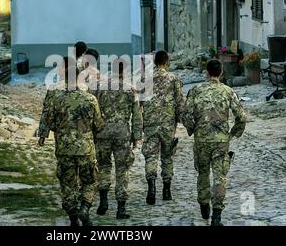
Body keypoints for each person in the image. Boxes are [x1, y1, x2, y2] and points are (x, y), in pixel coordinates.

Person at [38, 56, 103, 226]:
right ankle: (84, 207)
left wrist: (45, 134)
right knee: (90, 181)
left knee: (67, 184)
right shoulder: (90, 99)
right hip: (86, 148)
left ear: (65, 77)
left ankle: (73, 217)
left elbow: (48, 118)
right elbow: (98, 124)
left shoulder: (56, 97)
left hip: (64, 148)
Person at [182, 59, 247, 226]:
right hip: (220, 141)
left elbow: (186, 115)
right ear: (221, 73)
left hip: (202, 140)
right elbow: (241, 117)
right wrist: (233, 133)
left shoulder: (195, 91)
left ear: (207, 72)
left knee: (202, 173)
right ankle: (217, 215)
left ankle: (204, 204)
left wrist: (193, 130)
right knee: (220, 177)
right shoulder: (228, 91)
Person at [94, 60, 142, 219]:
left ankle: (103, 201)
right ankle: (121, 208)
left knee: (103, 166)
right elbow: (136, 116)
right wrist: (136, 136)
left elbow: (94, 112)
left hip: (103, 133)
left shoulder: (100, 87)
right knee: (123, 169)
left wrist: (94, 131)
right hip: (122, 133)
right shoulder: (130, 90)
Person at [141, 50, 184, 205]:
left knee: (151, 156)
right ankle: (167, 190)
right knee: (167, 156)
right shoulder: (173, 79)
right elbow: (180, 103)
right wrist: (182, 121)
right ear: (166, 62)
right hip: (167, 124)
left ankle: (151, 187)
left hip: (151, 123)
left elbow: (139, 103)